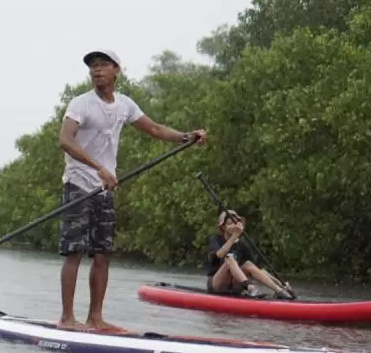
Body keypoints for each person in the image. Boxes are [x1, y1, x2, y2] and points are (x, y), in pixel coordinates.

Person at [58, 49, 207, 331]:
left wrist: (186, 137)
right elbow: (65, 141)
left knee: (103, 253)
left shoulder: (124, 105)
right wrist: (98, 168)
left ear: (117, 70)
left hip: (105, 188)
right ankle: (66, 319)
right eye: (93, 66)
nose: (96, 70)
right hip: (79, 184)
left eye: (103, 65)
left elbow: (156, 129)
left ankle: (95, 319)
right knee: (74, 251)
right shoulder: (81, 104)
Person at [207, 210, 294, 299]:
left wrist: (280, 284)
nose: (233, 225)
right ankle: (251, 288)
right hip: (217, 284)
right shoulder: (215, 239)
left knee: (248, 264)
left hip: (235, 285)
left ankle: (279, 291)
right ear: (223, 227)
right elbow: (220, 255)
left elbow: (259, 270)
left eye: (235, 223)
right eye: (229, 223)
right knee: (229, 259)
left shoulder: (242, 245)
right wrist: (234, 236)